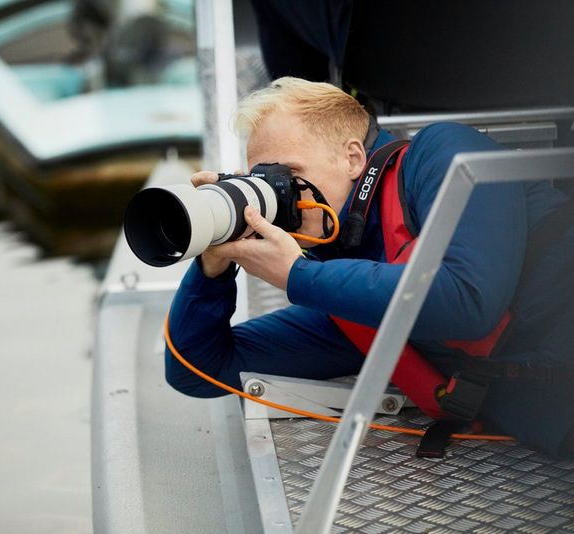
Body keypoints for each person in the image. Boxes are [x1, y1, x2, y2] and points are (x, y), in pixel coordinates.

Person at [164, 77, 574, 457]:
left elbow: (469, 300)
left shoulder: (444, 153)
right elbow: (197, 368)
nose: (279, 196)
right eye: (263, 180)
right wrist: (213, 267)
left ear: (352, 157)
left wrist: (298, 275)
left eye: (288, 175)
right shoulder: (339, 289)